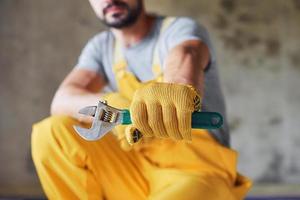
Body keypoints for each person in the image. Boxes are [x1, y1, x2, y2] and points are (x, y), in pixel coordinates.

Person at [31, 0, 252, 199]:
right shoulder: (101, 47)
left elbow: (186, 54)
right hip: (132, 171)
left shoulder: (178, 29)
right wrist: (112, 107)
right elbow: (62, 100)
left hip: (196, 173)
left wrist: (176, 88)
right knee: (51, 132)